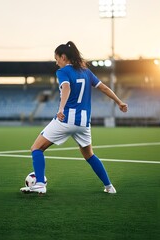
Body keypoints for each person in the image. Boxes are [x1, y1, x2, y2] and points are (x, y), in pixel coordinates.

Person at [20, 41, 128, 195]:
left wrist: (61, 108)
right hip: (84, 123)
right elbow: (103, 87)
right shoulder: (86, 72)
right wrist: (119, 102)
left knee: (36, 148)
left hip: (66, 120)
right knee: (89, 155)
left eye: (56, 58)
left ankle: (40, 184)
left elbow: (66, 87)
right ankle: (109, 186)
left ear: (63, 57)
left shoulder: (63, 71)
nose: (56, 62)